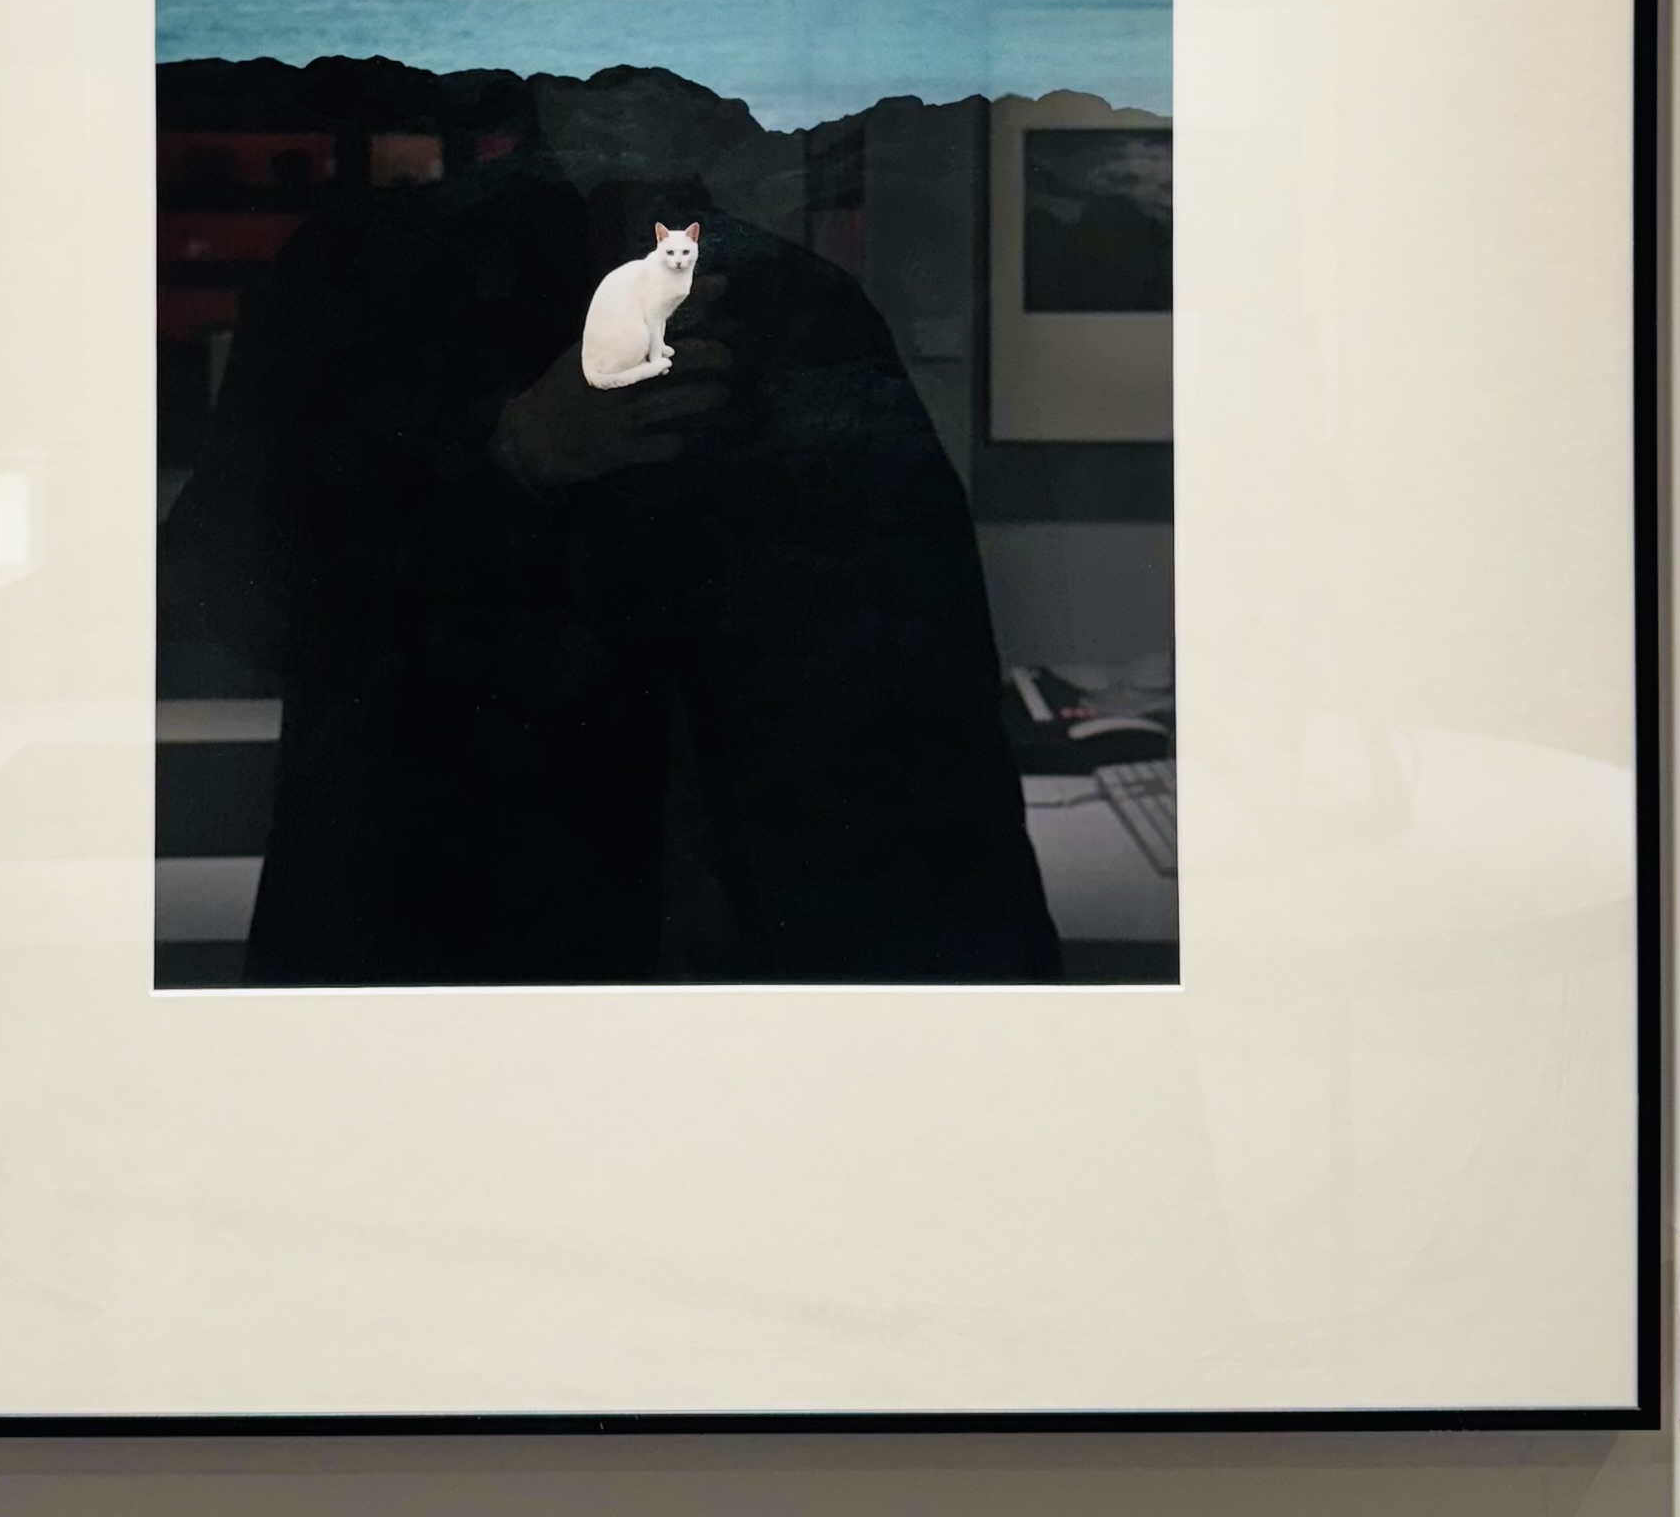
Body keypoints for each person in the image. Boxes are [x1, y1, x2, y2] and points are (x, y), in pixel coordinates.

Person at [171, 117, 1061, 986]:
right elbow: (241, 591)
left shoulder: (799, 309)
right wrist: (510, 458)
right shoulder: (374, 276)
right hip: (464, 915)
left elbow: (921, 691)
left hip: (717, 923)